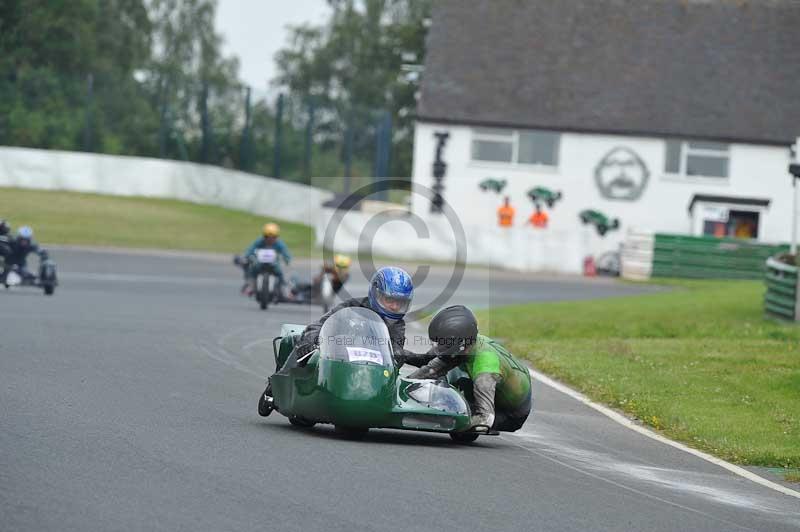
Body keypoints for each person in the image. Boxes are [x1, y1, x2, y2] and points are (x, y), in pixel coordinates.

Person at [258, 266, 419, 417]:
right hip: (339, 354)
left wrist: (399, 357)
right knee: (299, 341)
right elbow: (319, 325)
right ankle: (274, 387)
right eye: (390, 300)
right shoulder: (351, 306)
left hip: (372, 364)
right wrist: (310, 342)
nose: (394, 306)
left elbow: (395, 352)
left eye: (400, 302)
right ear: (376, 294)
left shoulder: (398, 324)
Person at [407, 305, 532, 433]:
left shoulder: (485, 367)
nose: (439, 346)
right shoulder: (469, 344)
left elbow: (486, 418)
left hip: (510, 414)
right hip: (496, 388)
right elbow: (429, 367)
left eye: (443, 343)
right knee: (439, 368)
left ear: (460, 343)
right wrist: (406, 383)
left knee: (449, 384)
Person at [241, 222, 291, 296]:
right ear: (264, 236)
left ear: (276, 237)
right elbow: (251, 248)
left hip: (273, 264)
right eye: (267, 237)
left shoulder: (279, 244)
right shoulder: (259, 241)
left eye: (273, 237)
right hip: (260, 263)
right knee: (252, 271)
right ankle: (251, 286)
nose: (270, 239)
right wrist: (247, 256)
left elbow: (285, 251)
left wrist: (287, 258)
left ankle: (283, 290)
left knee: (280, 274)